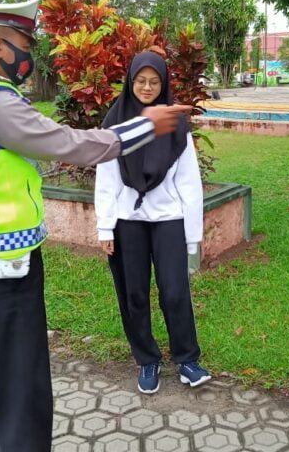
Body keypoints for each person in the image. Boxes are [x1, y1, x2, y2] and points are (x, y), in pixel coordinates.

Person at [0, 0, 191, 452]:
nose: (29, 58)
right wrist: (143, 127)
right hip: (4, 267)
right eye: (25, 45)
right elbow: (68, 144)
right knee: (21, 393)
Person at [94, 51, 210, 395]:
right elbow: (107, 178)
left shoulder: (175, 125)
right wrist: (105, 227)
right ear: (131, 82)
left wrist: (192, 236)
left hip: (168, 220)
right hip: (128, 221)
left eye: (154, 81)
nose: (147, 87)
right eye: (140, 81)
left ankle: (187, 359)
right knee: (134, 294)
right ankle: (147, 359)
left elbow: (189, 181)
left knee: (175, 292)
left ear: (164, 84)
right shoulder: (115, 124)